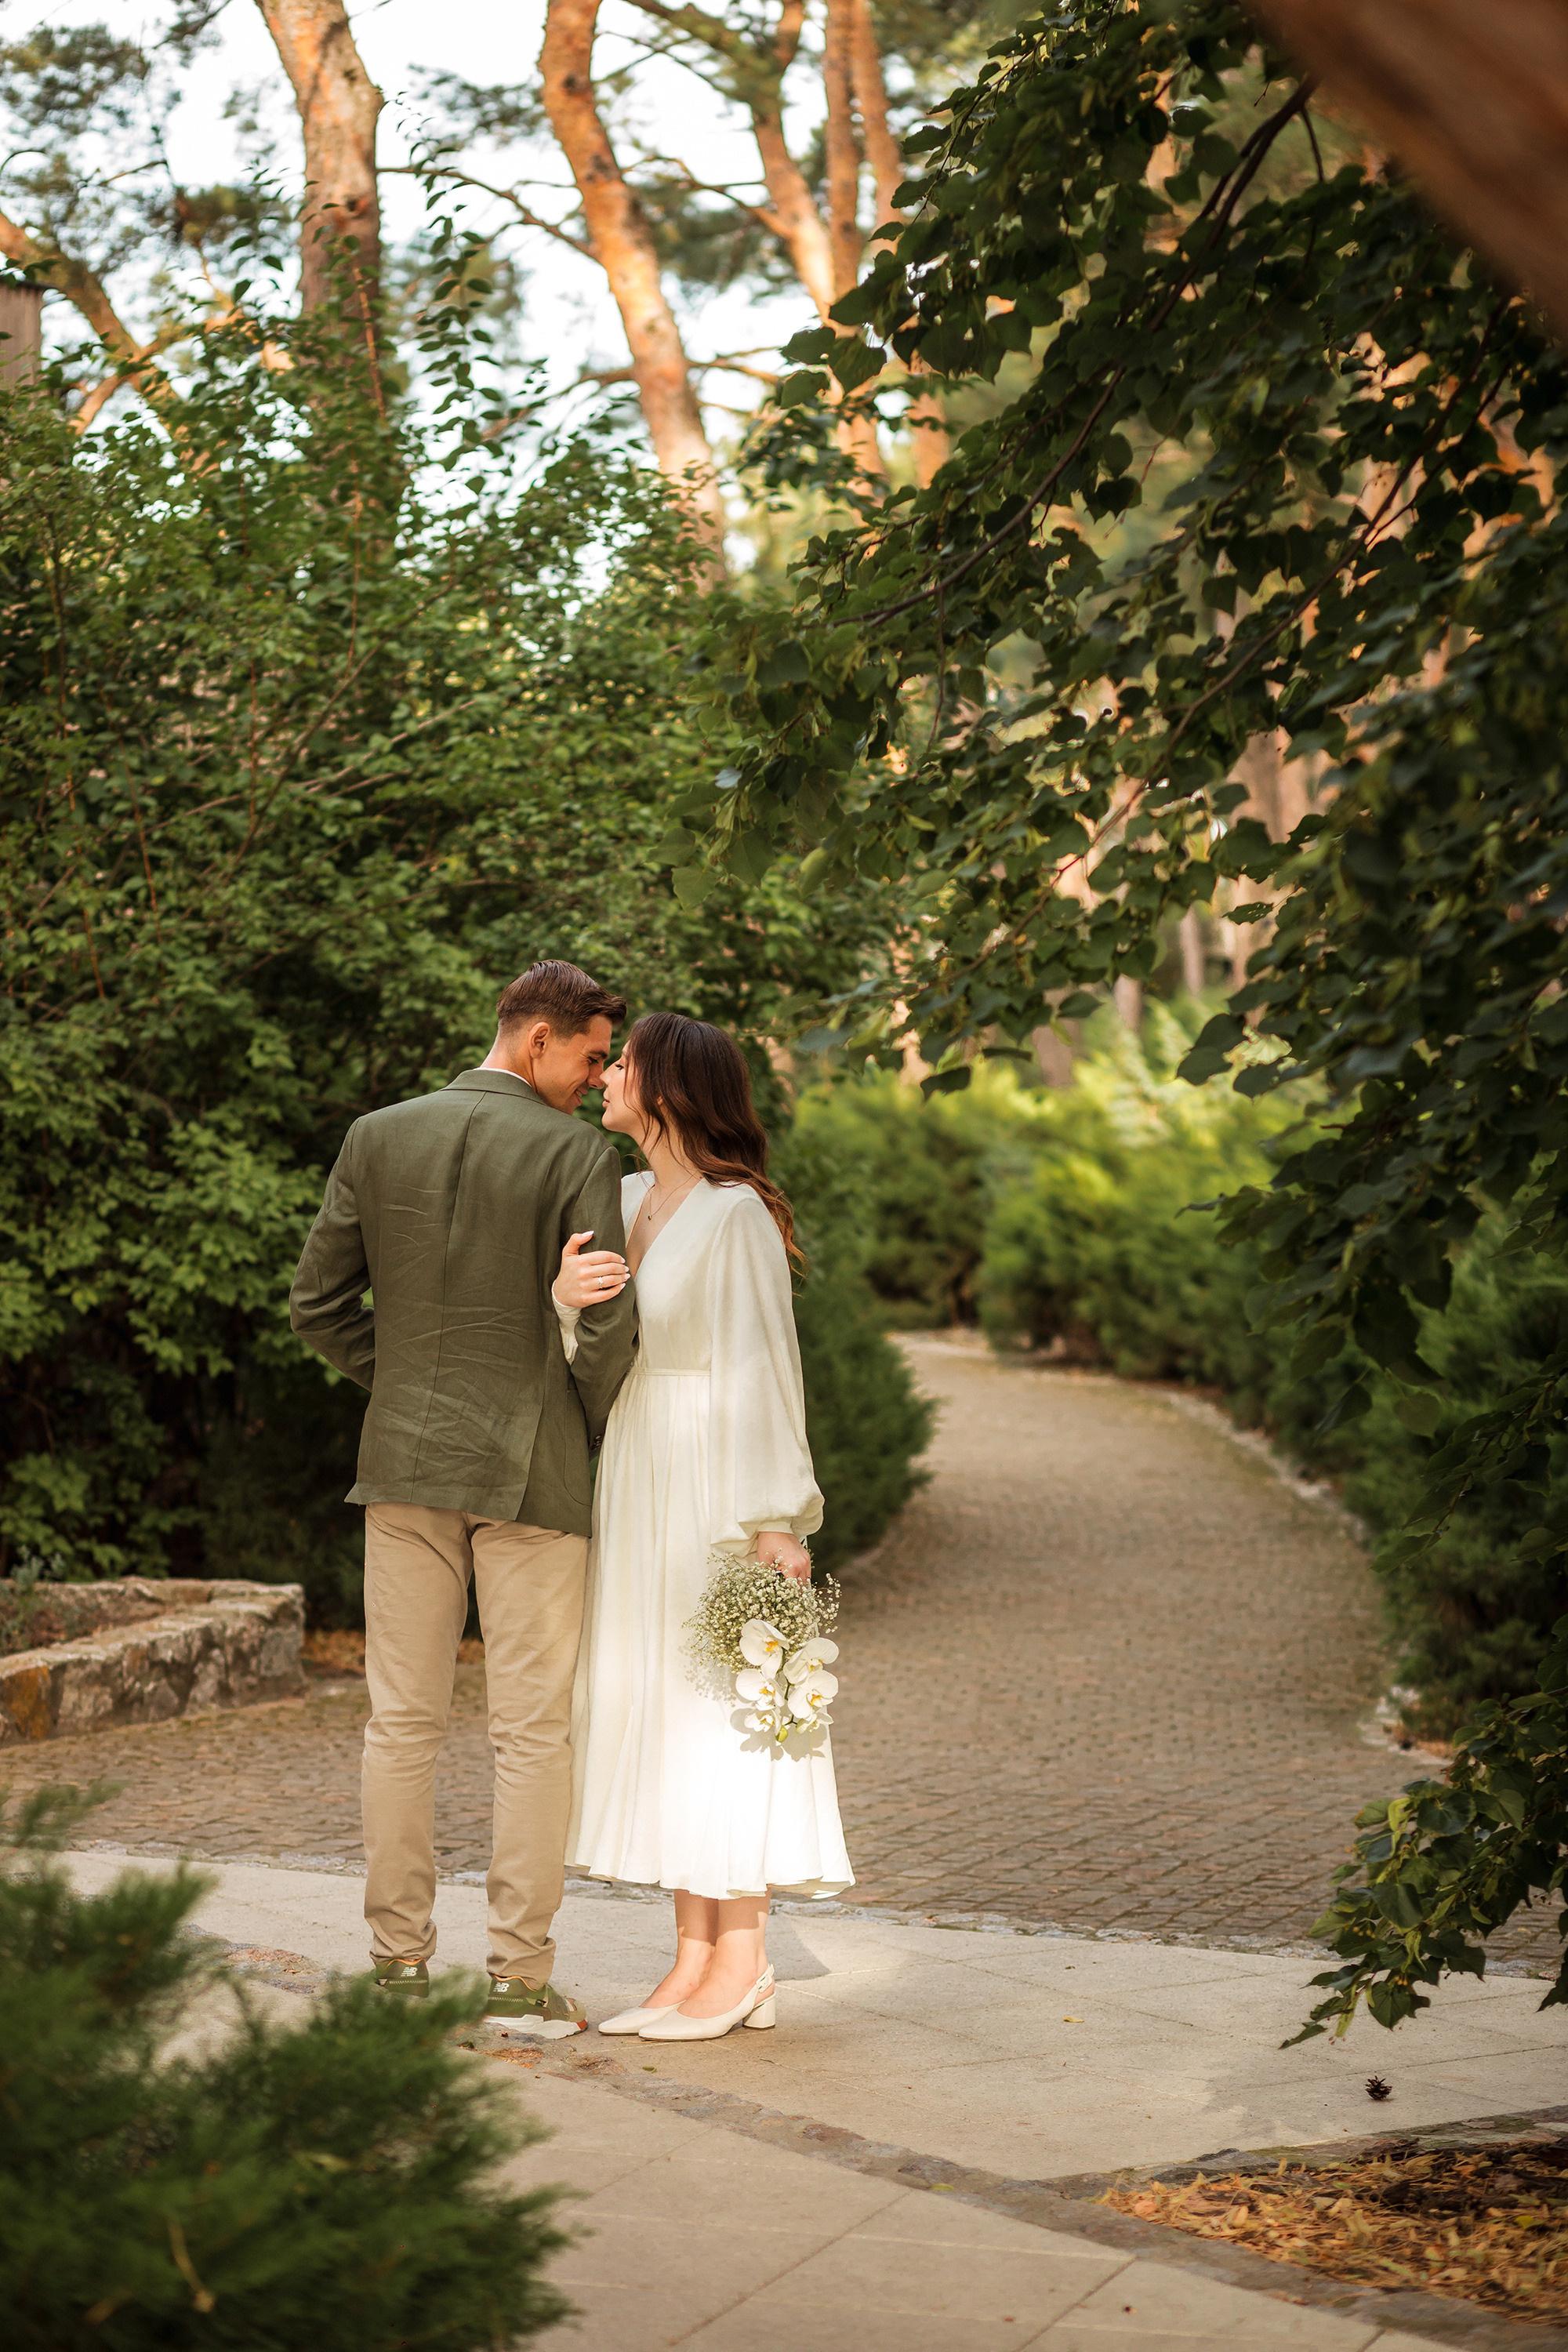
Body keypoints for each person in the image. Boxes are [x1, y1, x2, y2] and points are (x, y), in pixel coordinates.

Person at [289, 960, 638, 2031]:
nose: (597, 1078)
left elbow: (317, 1307)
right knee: (531, 1733)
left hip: (404, 1464)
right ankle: (518, 1978)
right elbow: (605, 1325)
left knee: (400, 1724)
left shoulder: (376, 1135)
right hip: (534, 1470)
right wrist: (585, 1423)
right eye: (590, 1057)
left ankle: (398, 1967)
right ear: (538, 1041)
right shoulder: (578, 1154)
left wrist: (400, 1383)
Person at [553, 1011, 854, 2042]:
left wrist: (776, 1520)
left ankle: (745, 1961)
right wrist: (563, 1298)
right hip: (636, 1468)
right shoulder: (620, 1196)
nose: (605, 1078)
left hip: (718, 1480)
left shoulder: (737, 1214)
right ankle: (691, 1958)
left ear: (668, 1086)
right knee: (662, 1710)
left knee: (726, 1709)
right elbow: (587, 1350)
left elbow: (768, 1366)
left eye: (622, 1064)